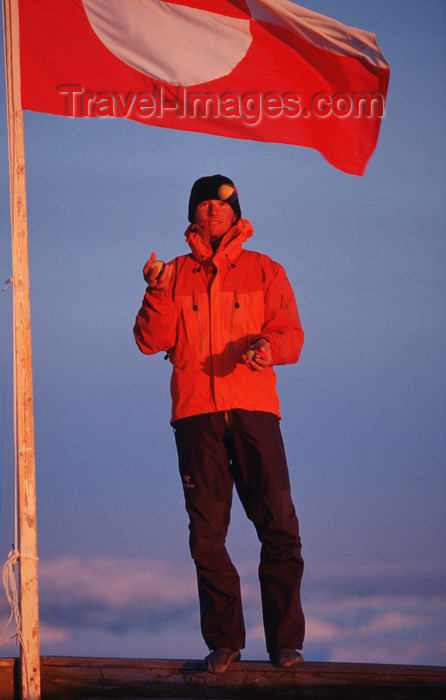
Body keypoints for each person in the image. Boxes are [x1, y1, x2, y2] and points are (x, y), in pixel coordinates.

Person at [133, 175, 305, 673]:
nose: (212, 212)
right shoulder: (174, 273)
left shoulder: (265, 269)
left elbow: (290, 333)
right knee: (206, 535)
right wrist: (156, 290)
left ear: (236, 214)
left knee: (279, 527)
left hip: (254, 412)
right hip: (196, 418)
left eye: (222, 204)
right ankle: (224, 640)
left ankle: (286, 643)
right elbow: (150, 340)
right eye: (204, 204)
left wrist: (268, 348)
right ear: (193, 214)